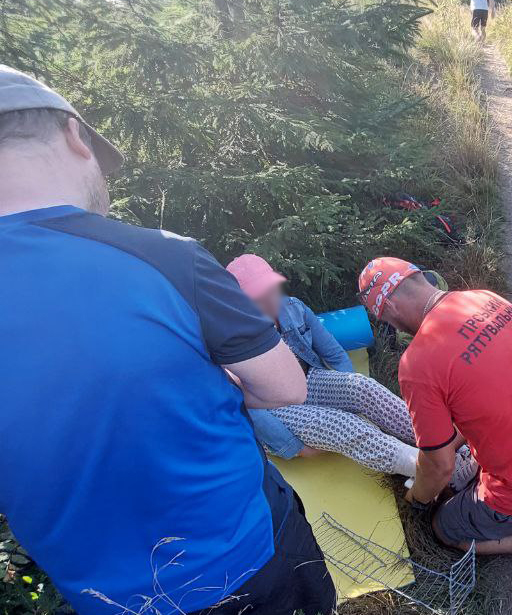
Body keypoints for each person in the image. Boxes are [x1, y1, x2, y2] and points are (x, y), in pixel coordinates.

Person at [0, 65, 336, 615]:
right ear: (73, 137)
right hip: (247, 563)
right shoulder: (164, 256)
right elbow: (285, 386)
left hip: (107, 600)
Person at [357, 257, 512, 601]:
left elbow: (440, 467)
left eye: (386, 319)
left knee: (445, 528)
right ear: (421, 277)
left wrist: (418, 496)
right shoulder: (488, 299)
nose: (394, 326)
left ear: (392, 306)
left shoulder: (417, 363)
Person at [226, 253, 476, 488]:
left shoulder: (293, 308)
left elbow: (333, 352)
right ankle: (435, 471)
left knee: (363, 388)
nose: (267, 300)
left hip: (307, 381)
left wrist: (347, 388)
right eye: (256, 297)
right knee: (343, 426)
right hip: (274, 409)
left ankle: (452, 444)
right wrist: (294, 447)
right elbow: (244, 406)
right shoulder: (232, 340)